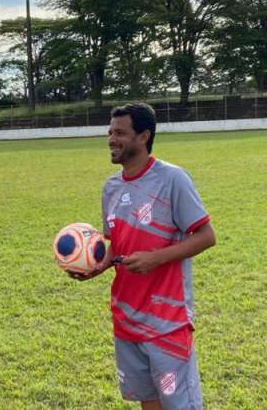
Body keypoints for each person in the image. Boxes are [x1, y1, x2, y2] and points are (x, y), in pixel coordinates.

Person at [71, 102, 215, 410]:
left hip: (167, 321)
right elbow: (116, 245)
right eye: (110, 132)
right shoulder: (110, 188)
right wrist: (97, 266)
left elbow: (206, 236)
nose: (111, 139)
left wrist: (156, 258)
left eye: (120, 132)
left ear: (143, 136)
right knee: (147, 401)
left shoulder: (173, 179)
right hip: (126, 317)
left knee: (179, 404)